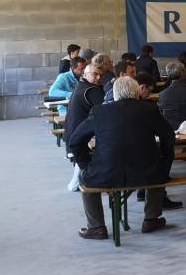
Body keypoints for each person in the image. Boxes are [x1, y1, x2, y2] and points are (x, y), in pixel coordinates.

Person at [69, 77, 174, 239]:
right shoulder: (149, 109)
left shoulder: (99, 111)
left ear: (115, 94)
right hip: (146, 173)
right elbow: (169, 136)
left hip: (106, 174)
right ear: (137, 93)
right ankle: (151, 219)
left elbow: (75, 141)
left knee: (85, 178)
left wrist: (86, 164)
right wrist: (165, 161)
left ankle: (96, 227)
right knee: (159, 173)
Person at [63, 63, 104, 192]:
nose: (98, 77)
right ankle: (80, 182)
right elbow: (104, 111)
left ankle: (76, 182)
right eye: (95, 74)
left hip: (72, 132)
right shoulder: (92, 90)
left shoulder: (81, 85)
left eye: (100, 75)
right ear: (85, 75)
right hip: (80, 134)